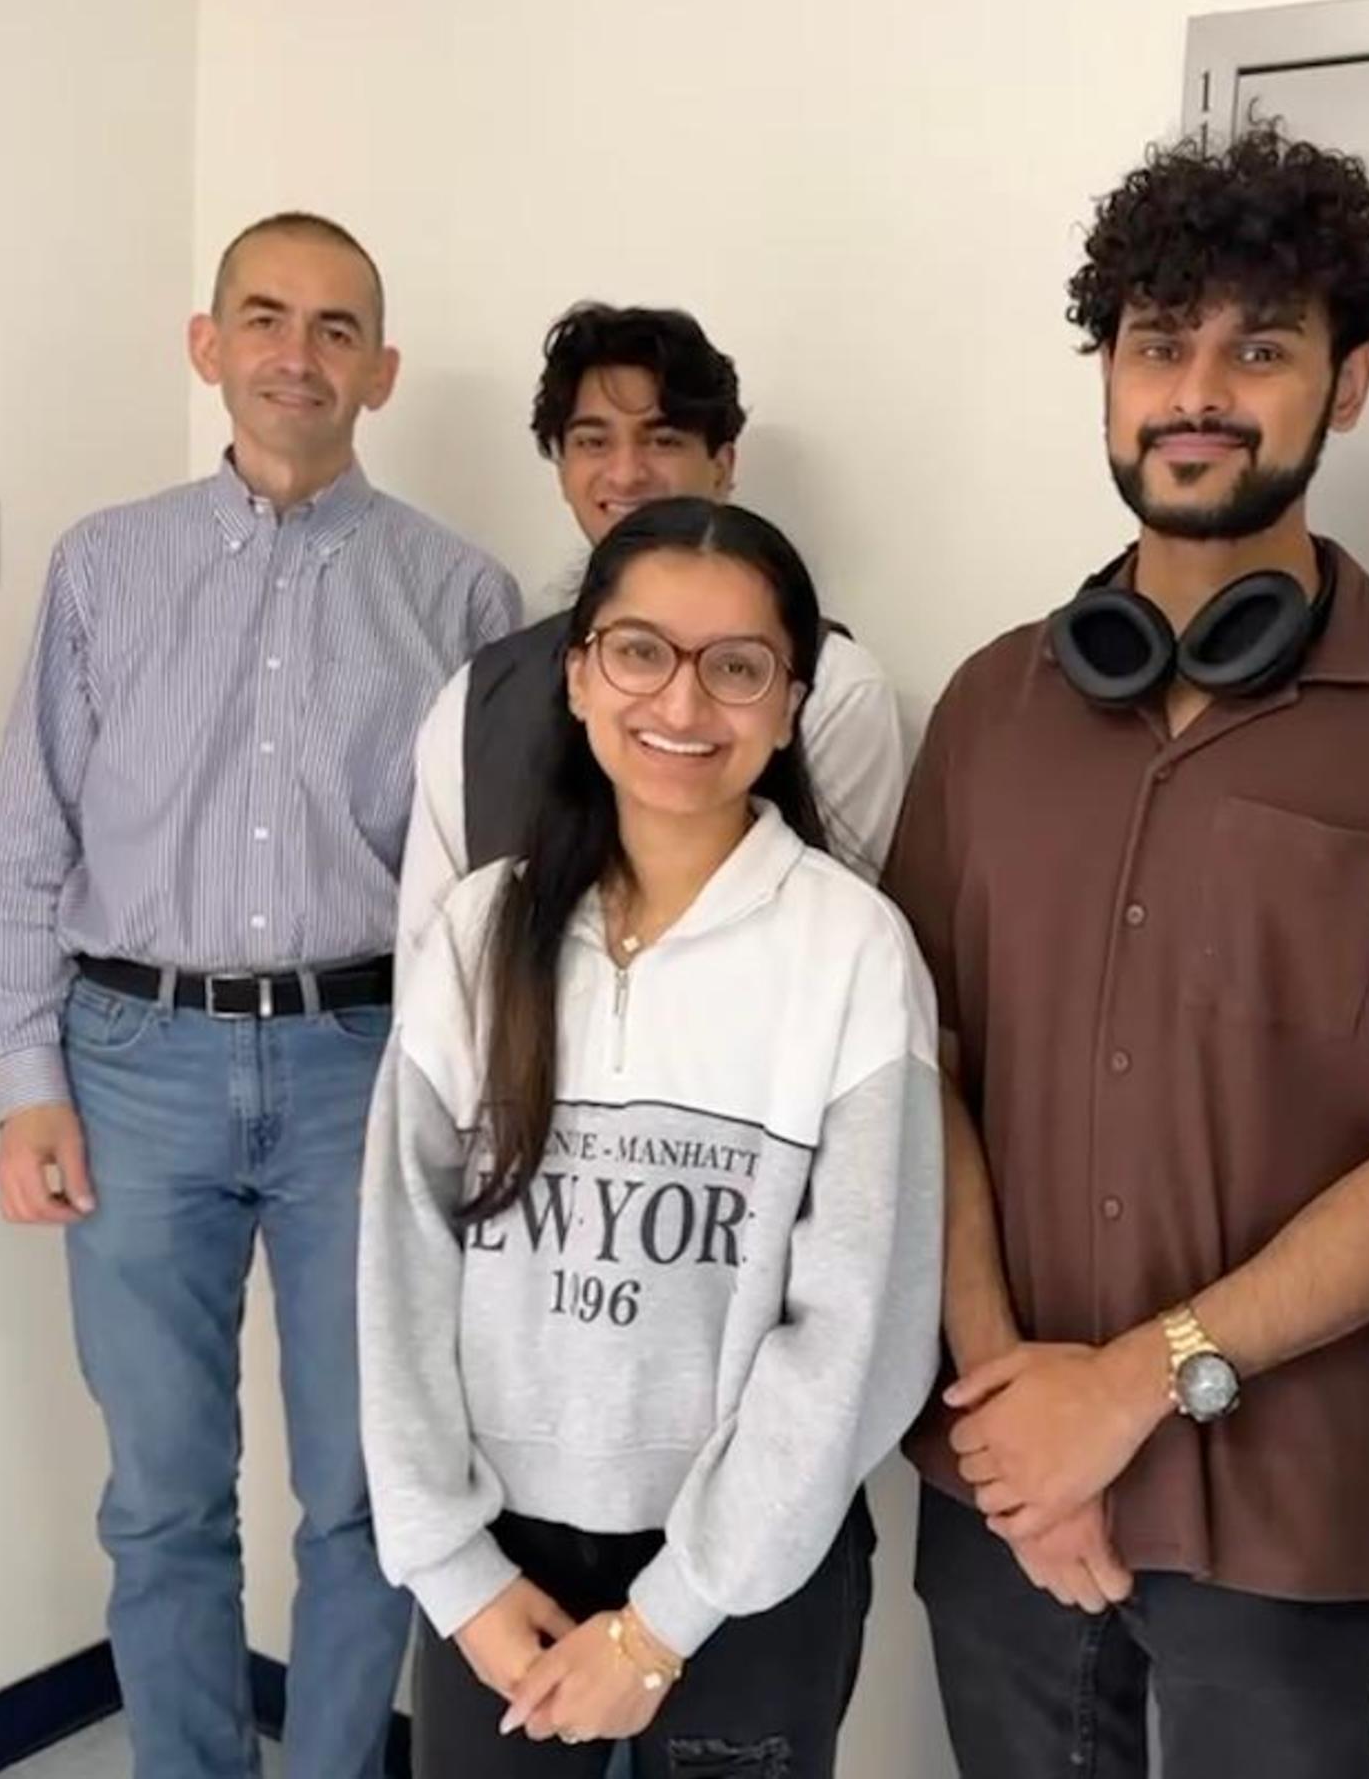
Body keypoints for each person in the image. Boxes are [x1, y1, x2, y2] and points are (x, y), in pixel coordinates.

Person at [882, 126, 1369, 1776]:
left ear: (1349, 386)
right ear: (1108, 374)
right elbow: (919, 1066)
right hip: (1005, 1510)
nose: (1197, 387)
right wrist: (1011, 1411)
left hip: (1305, 1532)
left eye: (1259, 346)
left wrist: (1140, 1381)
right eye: (1159, 341)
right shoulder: (995, 710)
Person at [0, 211, 521, 1779]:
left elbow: (490, 894)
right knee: (161, 1497)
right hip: (129, 1064)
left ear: (383, 369)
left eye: (337, 328)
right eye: (264, 319)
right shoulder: (104, 567)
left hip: (365, 1063)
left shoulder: (461, 597)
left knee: (367, 1491)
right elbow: (20, 844)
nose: (299, 354)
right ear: (205, 348)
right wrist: (26, 1082)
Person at [359, 497, 943, 1778]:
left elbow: (859, 1331)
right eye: (639, 651)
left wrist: (669, 1619)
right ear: (578, 674)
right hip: (500, 1560)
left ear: (790, 703)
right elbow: (401, 1277)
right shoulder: (475, 932)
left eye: (738, 667)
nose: (683, 703)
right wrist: (455, 1572)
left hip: (748, 1569)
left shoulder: (850, 953)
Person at [399, 304, 907, 967]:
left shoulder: (833, 688)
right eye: (592, 441)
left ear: (723, 464)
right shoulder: (479, 696)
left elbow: (821, 952)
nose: (626, 472)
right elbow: (430, 964)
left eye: (663, 439)